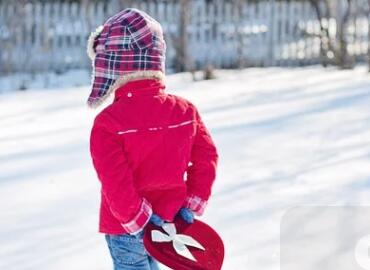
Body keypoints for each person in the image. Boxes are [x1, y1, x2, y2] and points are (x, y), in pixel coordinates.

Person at [87, 8, 218, 270]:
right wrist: (190, 204)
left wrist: (139, 219)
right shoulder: (184, 110)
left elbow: (116, 181)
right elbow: (207, 158)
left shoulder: (108, 123)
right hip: (169, 223)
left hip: (126, 228)